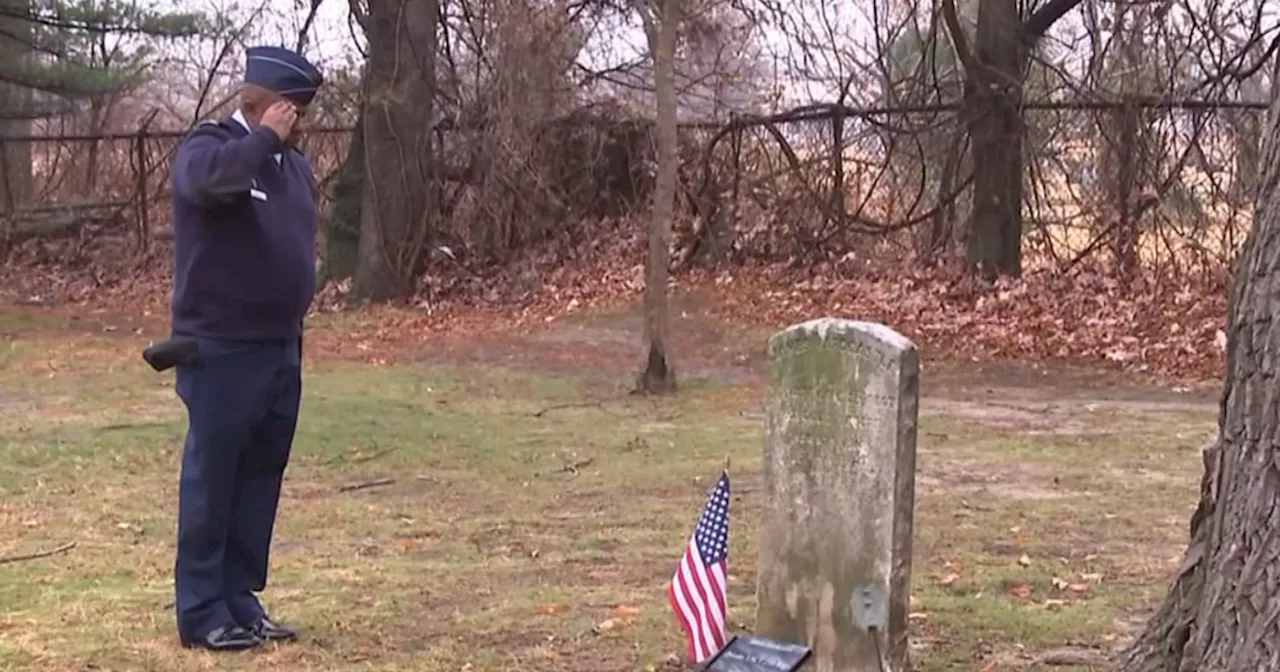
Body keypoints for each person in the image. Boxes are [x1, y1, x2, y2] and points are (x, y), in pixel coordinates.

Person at [167, 45, 324, 652]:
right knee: (215, 479)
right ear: (268, 106)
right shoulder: (207, 150)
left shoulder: (292, 166)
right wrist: (261, 140)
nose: (299, 125)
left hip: (280, 349)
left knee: (259, 478)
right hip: (220, 349)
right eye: (293, 112)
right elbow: (212, 186)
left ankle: (240, 598)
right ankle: (202, 609)